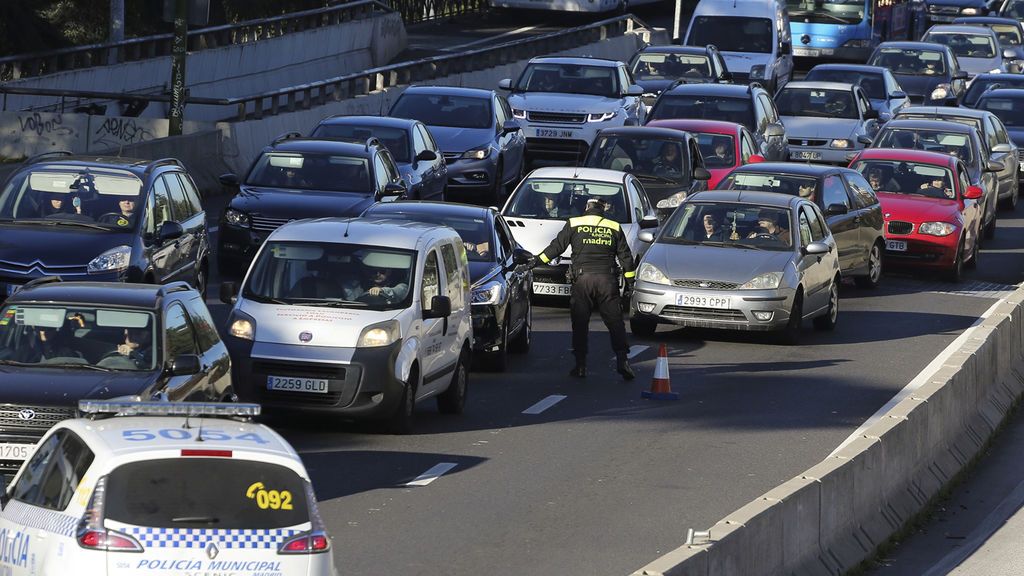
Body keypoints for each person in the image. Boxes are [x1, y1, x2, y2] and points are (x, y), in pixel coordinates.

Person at [528, 198, 636, 380]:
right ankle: (622, 360)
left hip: (582, 281)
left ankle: (580, 366)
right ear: (603, 210)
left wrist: (535, 261)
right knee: (615, 322)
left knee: (580, 324)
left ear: (587, 208)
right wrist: (630, 283)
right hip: (606, 281)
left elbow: (556, 248)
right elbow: (626, 258)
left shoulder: (574, 223)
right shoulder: (614, 227)